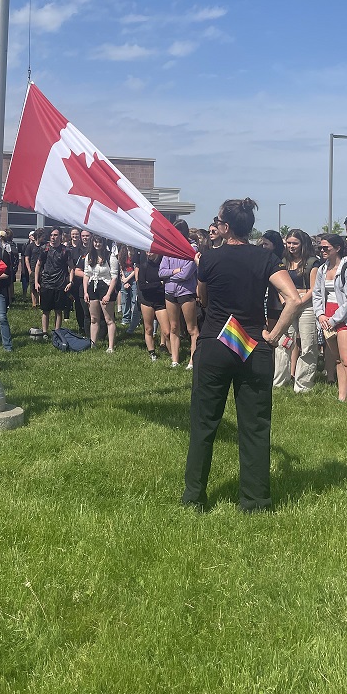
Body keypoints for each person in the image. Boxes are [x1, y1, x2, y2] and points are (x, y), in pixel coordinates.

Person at [182, 198, 301, 512]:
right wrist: (273, 336)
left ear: (224, 226)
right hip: (253, 346)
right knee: (255, 426)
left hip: (214, 344)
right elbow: (293, 299)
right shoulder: (266, 257)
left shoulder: (207, 259)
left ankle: (194, 497)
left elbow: (202, 297)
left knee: (204, 423)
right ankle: (256, 501)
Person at [313, 234, 347, 409]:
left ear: (337, 248)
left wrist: (334, 319)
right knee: (337, 360)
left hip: (345, 319)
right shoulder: (322, 269)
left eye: (325, 248)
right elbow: (317, 295)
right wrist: (320, 315)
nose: (322, 250)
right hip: (327, 318)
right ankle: (342, 396)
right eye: (320, 248)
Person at [273, 229, 318, 392]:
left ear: (302, 244)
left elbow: (314, 289)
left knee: (308, 344)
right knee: (283, 342)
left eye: (295, 243)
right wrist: (284, 300)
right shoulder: (283, 261)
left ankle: (303, 385)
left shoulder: (313, 262)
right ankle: (279, 381)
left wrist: (298, 302)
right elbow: (279, 285)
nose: (291, 246)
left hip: (306, 304)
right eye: (289, 243)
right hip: (288, 303)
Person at [159, 220, 199, 370]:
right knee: (174, 327)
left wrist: (170, 275)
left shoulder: (192, 249)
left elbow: (187, 274)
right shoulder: (169, 249)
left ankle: (192, 361)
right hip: (170, 292)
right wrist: (174, 272)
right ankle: (174, 360)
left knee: (191, 328)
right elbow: (161, 272)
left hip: (186, 292)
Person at [83, 235, 119, 351]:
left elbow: (114, 277)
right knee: (94, 318)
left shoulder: (110, 256)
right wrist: (85, 292)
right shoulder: (89, 256)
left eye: (99, 242)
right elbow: (86, 274)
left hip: (106, 287)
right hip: (92, 287)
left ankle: (110, 346)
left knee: (109, 319)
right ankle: (93, 343)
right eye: (95, 242)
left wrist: (108, 294)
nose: (97, 244)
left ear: (103, 243)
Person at [35, 227, 74, 336]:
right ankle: (44, 332)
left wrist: (70, 282)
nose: (53, 237)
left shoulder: (65, 251)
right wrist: (36, 282)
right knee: (45, 310)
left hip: (60, 284)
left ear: (61, 236)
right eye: (52, 235)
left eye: (56, 235)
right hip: (46, 283)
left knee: (58, 310)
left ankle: (57, 332)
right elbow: (38, 265)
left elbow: (71, 267)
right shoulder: (44, 249)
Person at [137, 250, 170, 361]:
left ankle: (172, 354)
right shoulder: (144, 266)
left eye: (151, 252)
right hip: (147, 300)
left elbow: (166, 284)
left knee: (167, 331)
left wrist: (151, 285)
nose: (149, 254)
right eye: (146, 252)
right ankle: (152, 353)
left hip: (160, 301)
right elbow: (141, 286)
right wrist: (158, 284)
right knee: (148, 328)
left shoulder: (163, 265)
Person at [25, 228, 46, 309]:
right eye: (42, 236)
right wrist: (29, 270)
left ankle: (41, 303)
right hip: (33, 269)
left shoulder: (44, 246)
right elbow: (26, 258)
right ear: (38, 236)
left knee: (42, 287)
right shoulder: (30, 246)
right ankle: (34, 304)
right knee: (33, 287)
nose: (43, 238)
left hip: (43, 269)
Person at [117, 245, 137, 326]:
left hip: (133, 276)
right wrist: (124, 279)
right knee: (125, 299)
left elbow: (136, 268)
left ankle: (134, 319)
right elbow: (121, 266)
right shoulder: (122, 251)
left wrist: (127, 279)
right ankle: (125, 318)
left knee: (134, 299)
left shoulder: (135, 252)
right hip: (124, 275)